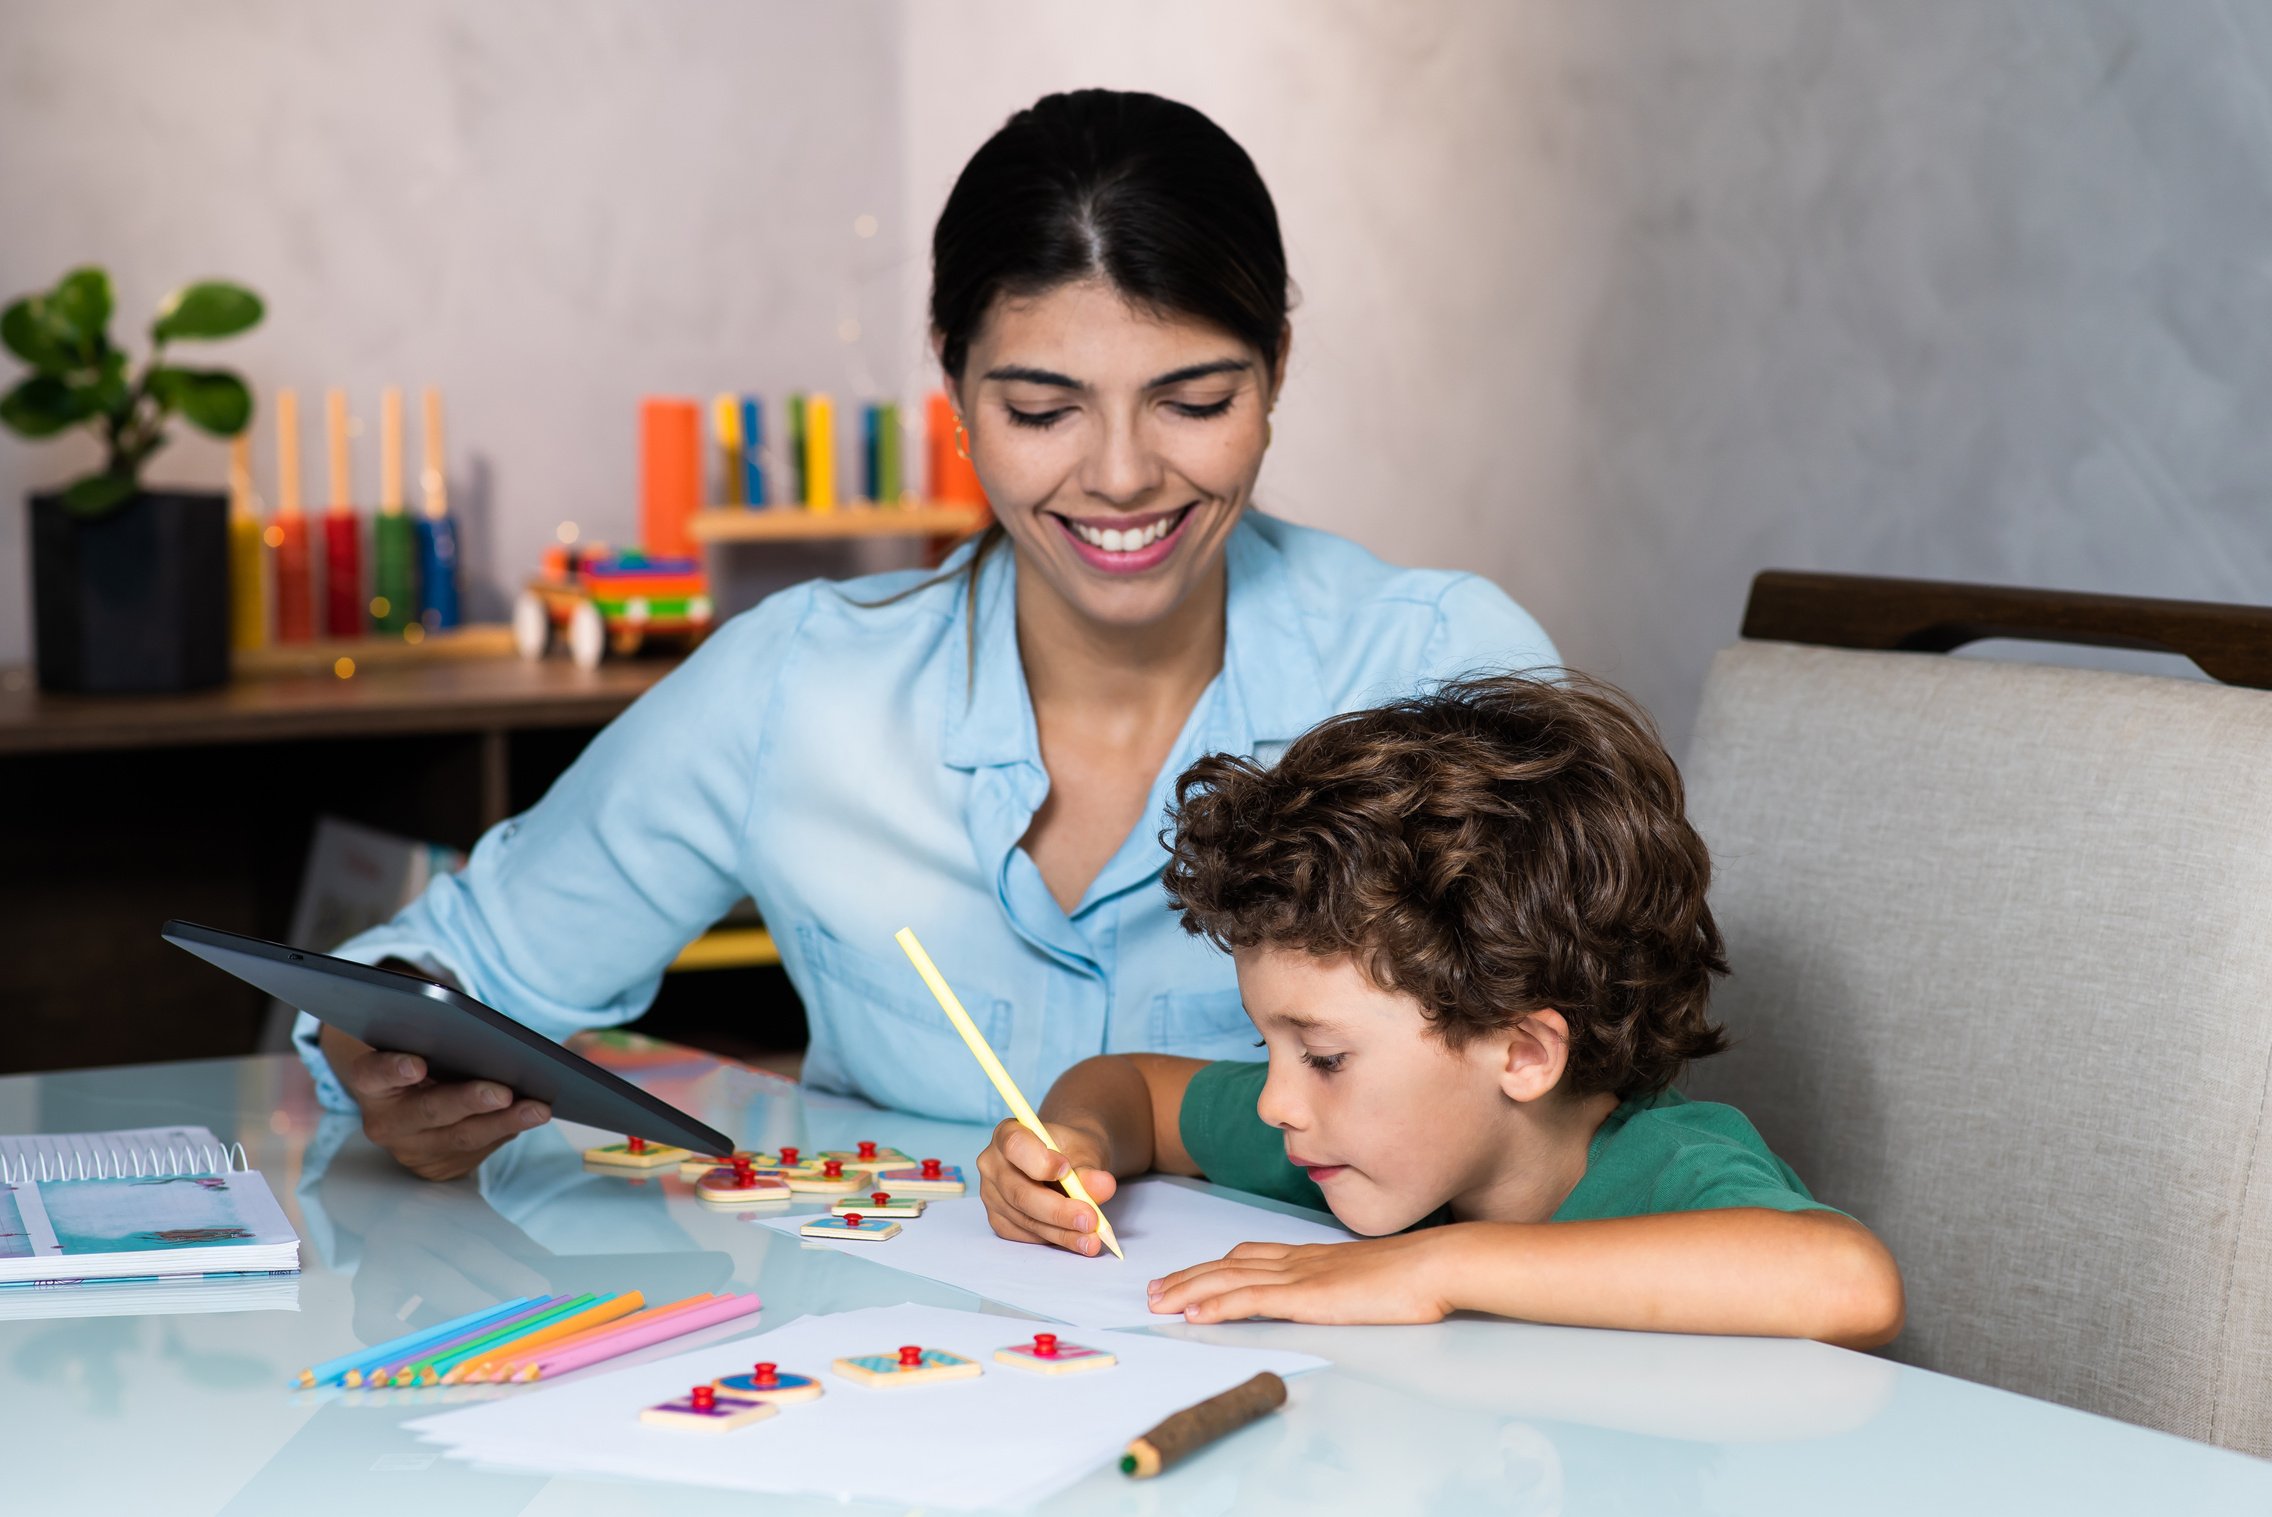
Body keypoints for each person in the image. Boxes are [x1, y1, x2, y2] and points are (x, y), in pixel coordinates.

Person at [298, 88, 1556, 1181]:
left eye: (1194, 399)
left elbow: (1592, 1080)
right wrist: (397, 1068)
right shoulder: (795, 683)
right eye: (1041, 407)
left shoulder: (1441, 670)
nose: (1121, 475)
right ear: (954, 383)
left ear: (1275, 370)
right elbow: (445, 968)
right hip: (896, 1387)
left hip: (1328, 1402)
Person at [976, 673, 1906, 1346]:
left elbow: (1848, 1281)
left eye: (1325, 1056)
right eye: (1272, 1046)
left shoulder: (1669, 1164)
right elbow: (1133, 1086)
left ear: (1525, 1053)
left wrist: (1431, 1270)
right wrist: (1077, 1142)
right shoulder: (1348, 1145)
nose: (1275, 1102)